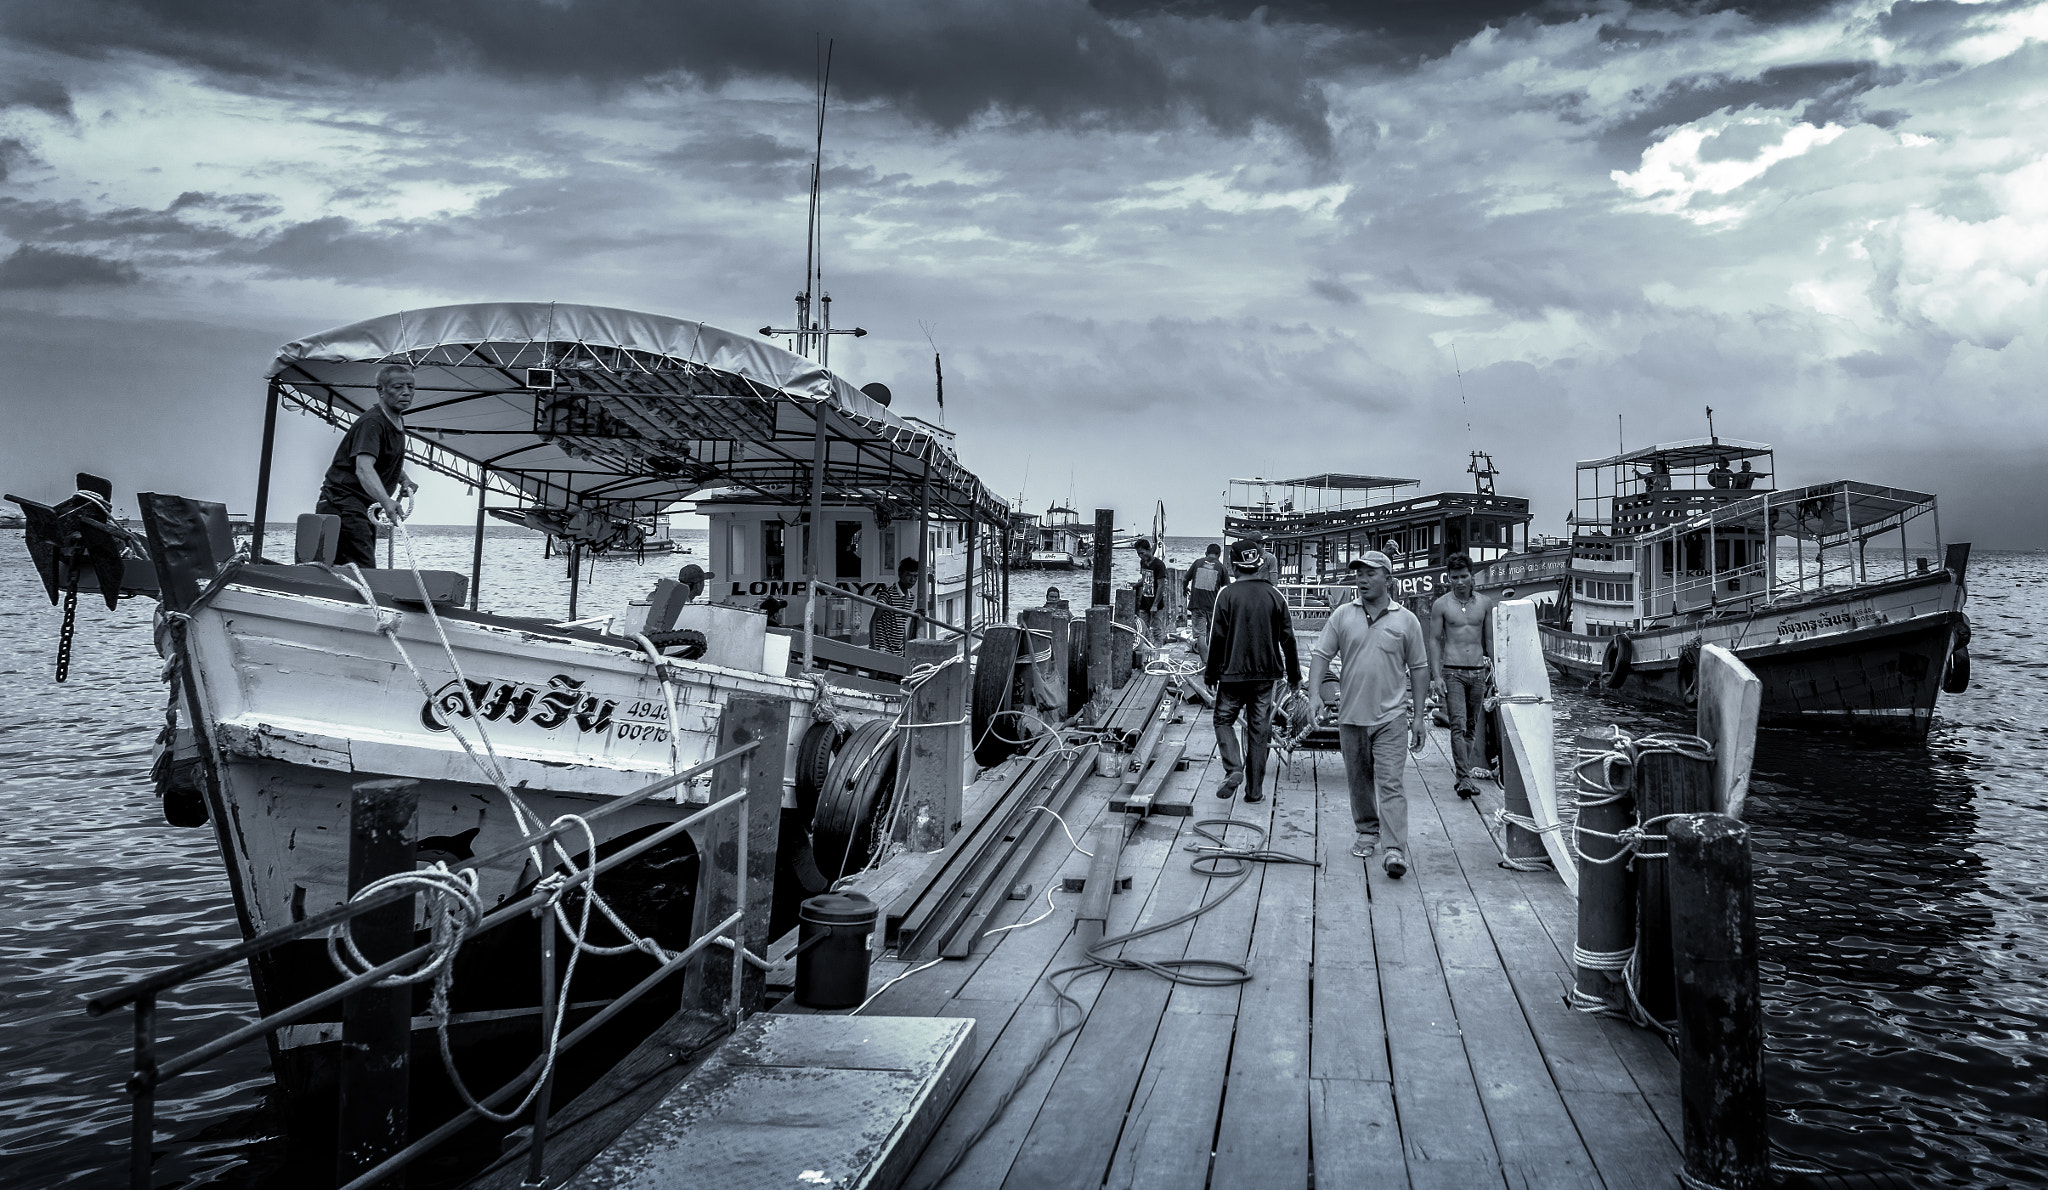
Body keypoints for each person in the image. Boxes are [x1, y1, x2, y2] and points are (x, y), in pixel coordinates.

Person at [1310, 552, 1429, 878]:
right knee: (1359, 780)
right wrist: (1313, 697)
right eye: (1358, 573)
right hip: (1350, 717)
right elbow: (1321, 656)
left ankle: (1394, 849)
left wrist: (1418, 717)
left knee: (1390, 783)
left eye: (1370, 573)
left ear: (1388, 579)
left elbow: (1419, 670)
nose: (1362, 579)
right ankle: (1367, 830)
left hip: (1391, 718)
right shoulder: (1342, 616)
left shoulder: (1406, 621)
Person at [1203, 541, 1300, 803]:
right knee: (1260, 730)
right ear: (1259, 564)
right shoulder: (1275, 596)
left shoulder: (1226, 595)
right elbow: (1289, 640)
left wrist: (1210, 675)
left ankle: (1234, 768)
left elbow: (1217, 640)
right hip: (1266, 676)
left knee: (1223, 720)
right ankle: (1254, 792)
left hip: (1232, 674)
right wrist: (1294, 678)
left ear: (1233, 566)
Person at [315, 364, 418, 568]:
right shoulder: (372, 422)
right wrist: (387, 501)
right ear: (380, 390)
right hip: (343, 505)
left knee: (360, 566)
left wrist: (402, 477)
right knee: (362, 568)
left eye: (410, 387)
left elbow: (382, 458)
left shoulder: (396, 420)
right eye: (398, 387)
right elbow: (363, 468)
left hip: (363, 508)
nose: (406, 392)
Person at [1427, 553, 1493, 799]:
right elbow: (1434, 640)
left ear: (1472, 576)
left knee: (1471, 726)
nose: (1460, 581)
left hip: (1478, 671)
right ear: (1449, 578)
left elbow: (1489, 640)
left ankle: (1463, 773)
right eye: (1455, 577)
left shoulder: (1485, 603)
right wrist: (1436, 675)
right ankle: (1464, 778)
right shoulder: (1442, 605)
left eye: (1464, 576)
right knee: (1458, 724)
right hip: (1452, 671)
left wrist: (1493, 669)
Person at [1183, 543, 1230, 664]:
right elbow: (1227, 589)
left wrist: (1184, 588)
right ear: (1219, 555)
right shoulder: (1221, 567)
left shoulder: (1198, 562)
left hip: (1197, 604)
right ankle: (1211, 660)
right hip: (1213, 606)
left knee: (1200, 634)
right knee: (1211, 632)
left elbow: (1185, 579)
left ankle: (1205, 662)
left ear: (1206, 553)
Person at [869, 556, 922, 654]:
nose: (912, 579)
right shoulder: (887, 594)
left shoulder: (910, 597)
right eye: (908, 575)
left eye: (915, 576)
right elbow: (874, 620)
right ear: (900, 575)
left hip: (898, 649)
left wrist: (906, 648)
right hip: (882, 647)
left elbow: (901, 624)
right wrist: (873, 646)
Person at [1132, 538, 1170, 643]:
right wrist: (1135, 585)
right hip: (1144, 601)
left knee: (1157, 630)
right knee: (1142, 630)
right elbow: (1145, 580)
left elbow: (1161, 586)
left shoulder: (1159, 565)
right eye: (1138, 554)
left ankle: (1158, 653)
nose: (1141, 556)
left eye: (1142, 553)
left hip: (1156, 603)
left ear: (1149, 550)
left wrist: (1155, 604)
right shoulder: (1142, 563)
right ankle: (1146, 652)